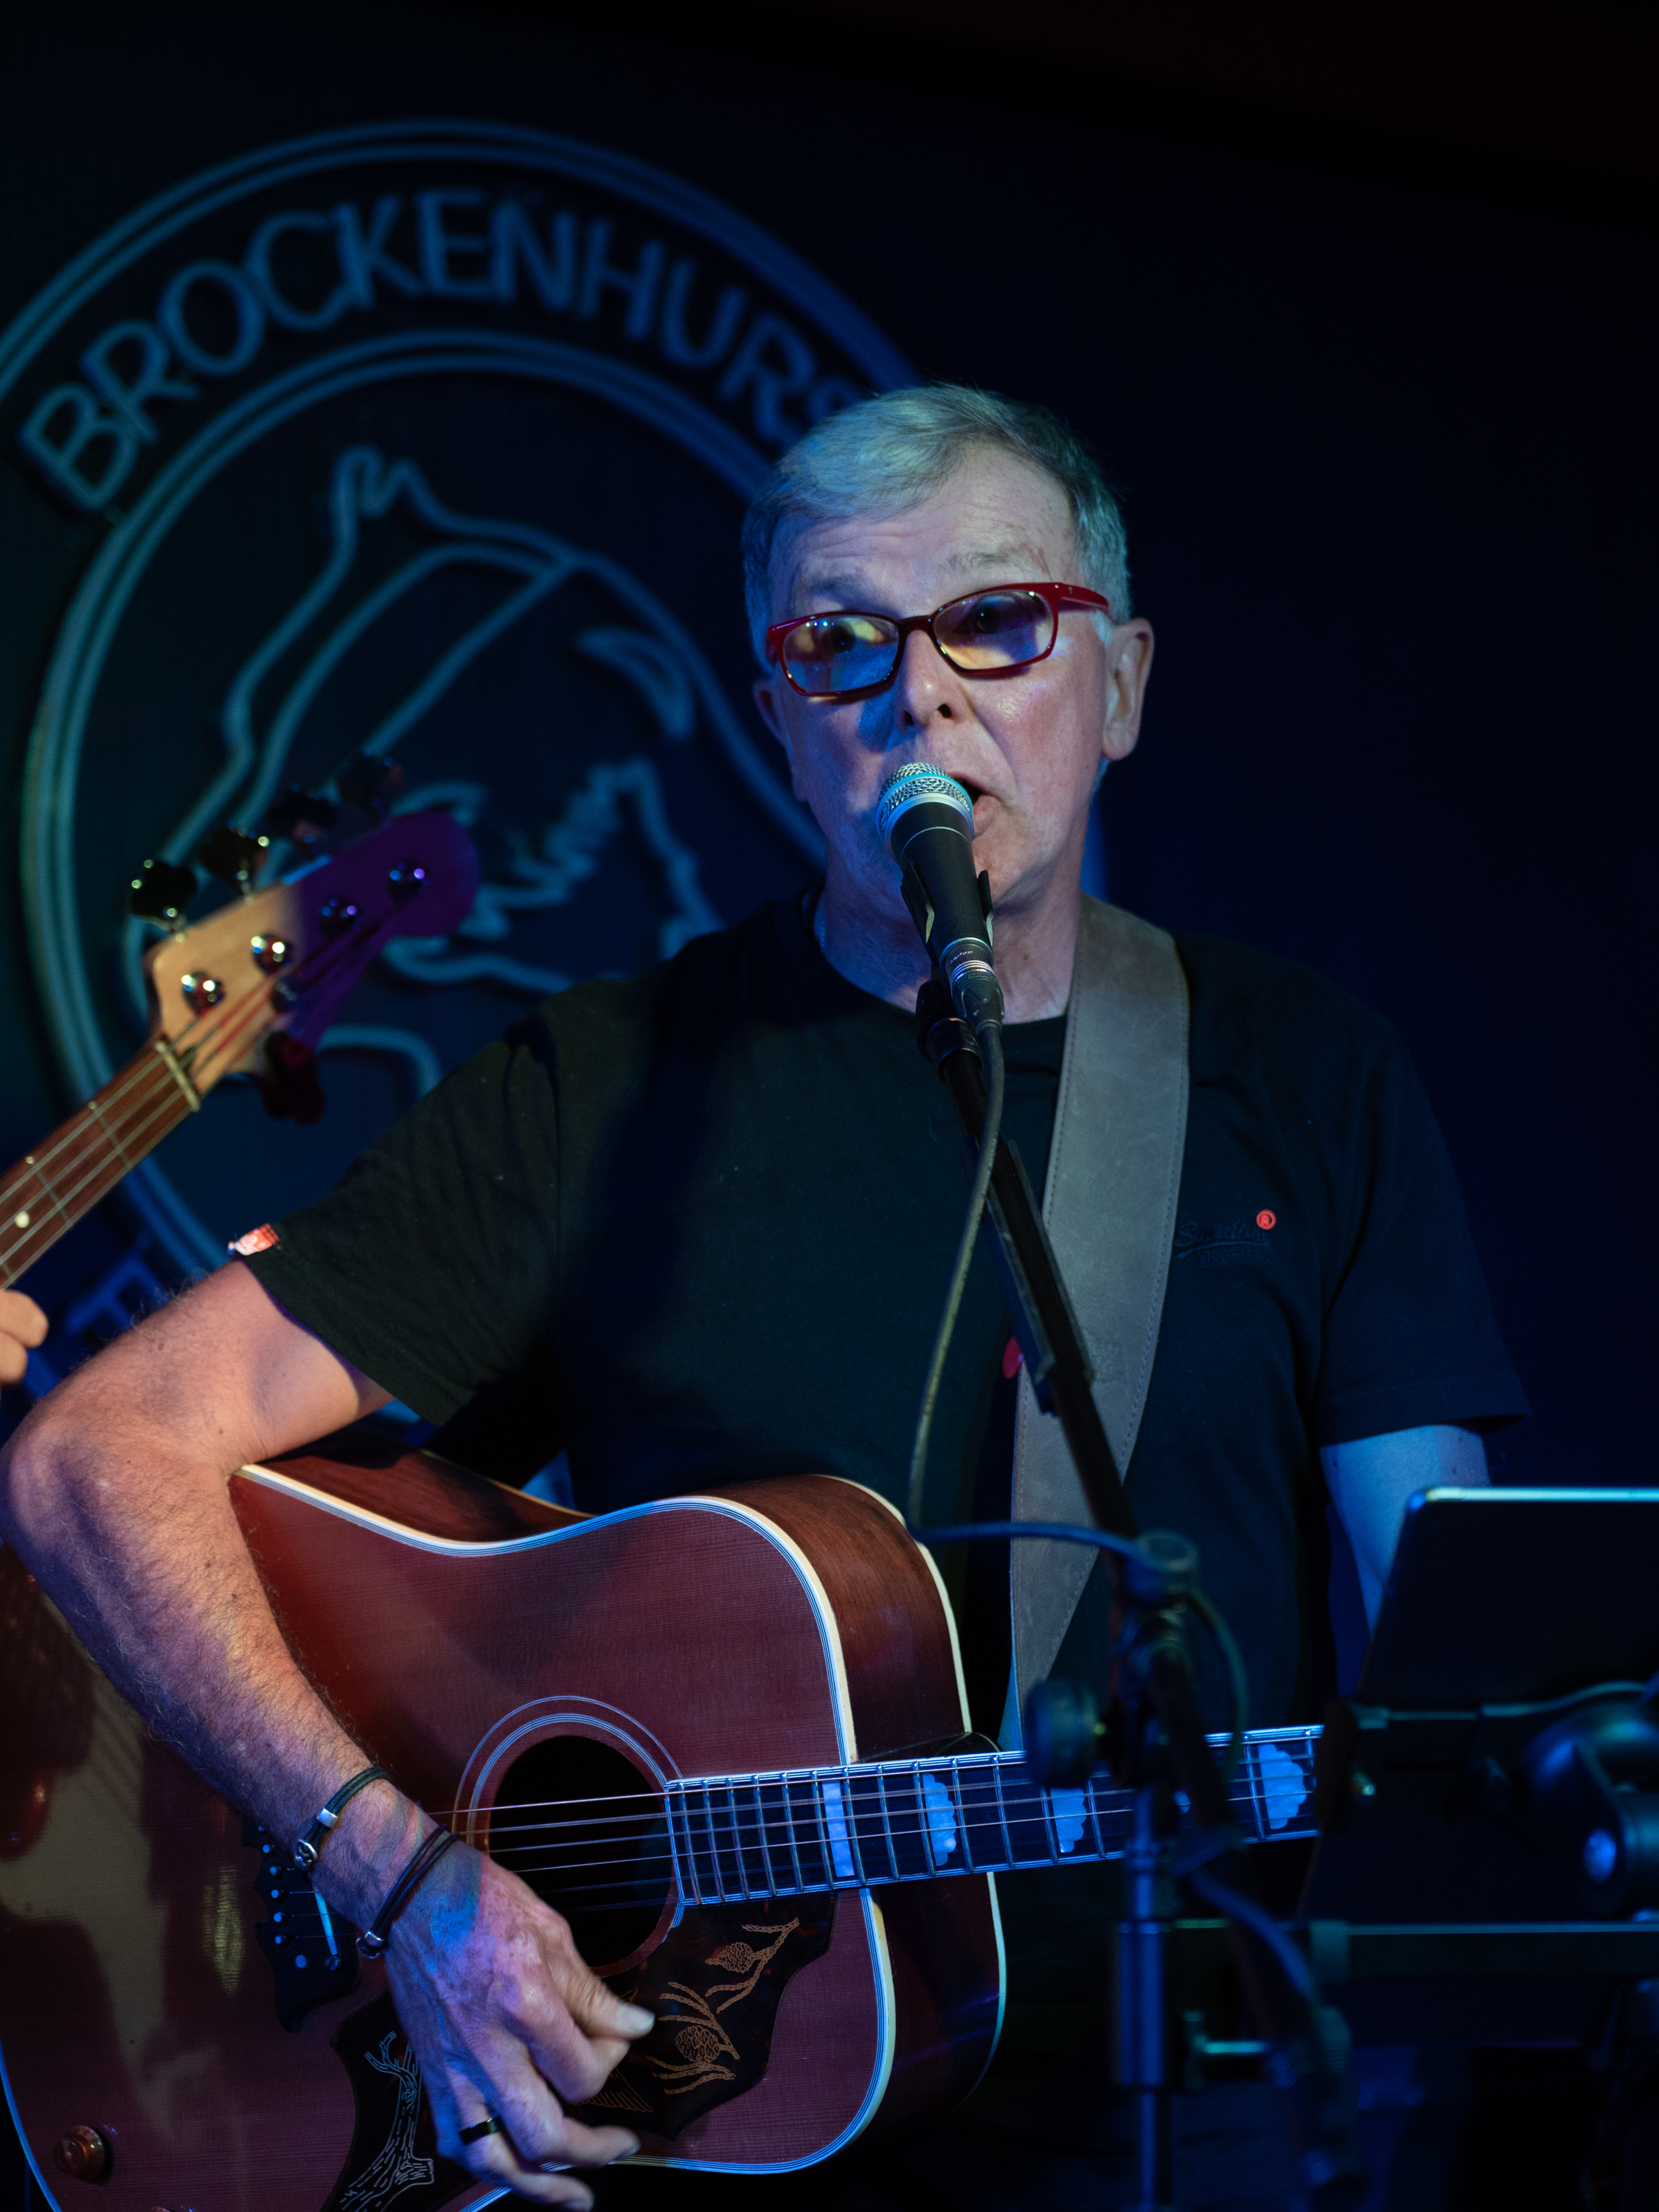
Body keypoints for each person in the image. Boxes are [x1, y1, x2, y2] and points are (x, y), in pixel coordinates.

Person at [0, 386, 1525, 2210]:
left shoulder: (1306, 1076)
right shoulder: (600, 1089)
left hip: (1197, 2122)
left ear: (1120, 684)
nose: (919, 696)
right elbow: (98, 1457)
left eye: (996, 621)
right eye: (840, 644)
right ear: (777, 724)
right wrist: (398, 1874)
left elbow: (1466, 1649)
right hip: (703, 2138)